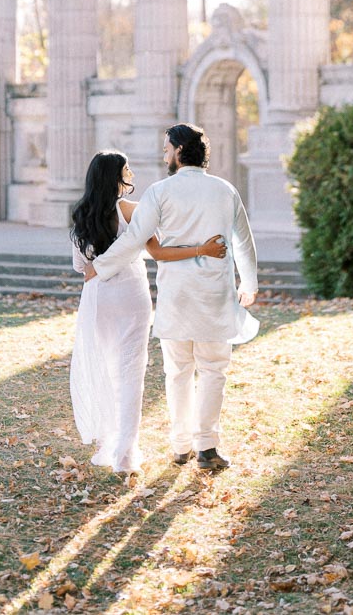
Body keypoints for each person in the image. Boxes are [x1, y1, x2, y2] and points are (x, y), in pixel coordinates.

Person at [84, 123, 258, 472]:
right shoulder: (226, 190)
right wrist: (249, 283)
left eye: (166, 150)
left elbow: (134, 239)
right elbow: (243, 241)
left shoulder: (160, 192)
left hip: (176, 297)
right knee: (213, 370)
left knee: (178, 371)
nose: (164, 156)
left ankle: (181, 446)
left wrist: (98, 266)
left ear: (179, 151)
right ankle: (206, 446)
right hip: (214, 296)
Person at [69, 150, 227, 476]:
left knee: (108, 370)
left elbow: (81, 268)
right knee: (130, 375)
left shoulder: (81, 214)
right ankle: (125, 457)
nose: (132, 174)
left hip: (97, 300)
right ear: (116, 177)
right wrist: (203, 249)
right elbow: (159, 252)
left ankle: (109, 444)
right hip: (130, 297)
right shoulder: (135, 210)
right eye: (127, 169)